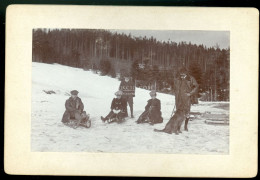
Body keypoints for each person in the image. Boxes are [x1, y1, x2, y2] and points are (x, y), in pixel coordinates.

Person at [173, 66, 199, 131]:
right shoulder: (177, 79)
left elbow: (196, 86)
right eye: (181, 75)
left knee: (187, 112)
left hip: (187, 99)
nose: (181, 76)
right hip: (179, 99)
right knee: (179, 112)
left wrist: (190, 93)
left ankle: (185, 126)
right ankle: (178, 127)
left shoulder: (191, 78)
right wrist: (176, 95)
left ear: (186, 73)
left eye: (183, 75)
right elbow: (175, 88)